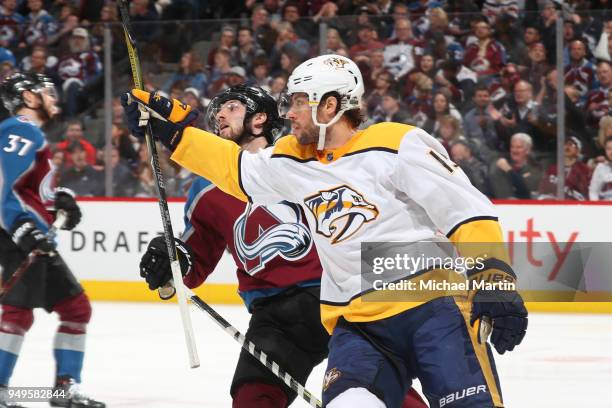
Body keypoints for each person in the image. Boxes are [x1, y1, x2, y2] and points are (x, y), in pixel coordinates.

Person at [123, 54, 527, 408]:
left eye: (299, 102)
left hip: (434, 309)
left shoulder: (396, 143)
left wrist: (494, 278)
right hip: (358, 324)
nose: (290, 113)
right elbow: (235, 169)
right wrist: (176, 132)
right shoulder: (291, 159)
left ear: (331, 105)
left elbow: (467, 212)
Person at [134, 84, 428, 408]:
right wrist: (174, 257)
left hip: (340, 297)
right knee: (252, 399)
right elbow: (196, 257)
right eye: (216, 111)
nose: (219, 114)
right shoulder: (206, 189)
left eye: (231, 106)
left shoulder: (302, 158)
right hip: (275, 318)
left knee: (388, 395)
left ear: (260, 118)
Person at [0, 73, 104, 408]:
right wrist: (21, 227)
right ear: (28, 97)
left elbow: (29, 189)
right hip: (18, 237)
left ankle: (65, 389)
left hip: (31, 236)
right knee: (16, 313)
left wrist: (60, 199)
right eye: (46, 92)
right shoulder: (21, 129)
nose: (53, 97)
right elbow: (3, 185)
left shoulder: (30, 134)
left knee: (75, 308)